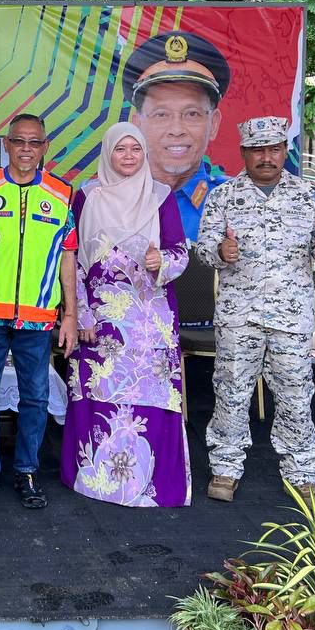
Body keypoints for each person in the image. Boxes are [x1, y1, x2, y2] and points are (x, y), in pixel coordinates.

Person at [196, 116, 315, 508]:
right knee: (230, 392)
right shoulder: (223, 197)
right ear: (243, 152)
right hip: (238, 317)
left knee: (296, 396)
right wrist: (220, 251)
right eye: (257, 150)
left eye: (274, 149)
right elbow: (204, 248)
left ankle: (303, 475)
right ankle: (225, 468)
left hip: (290, 320)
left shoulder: (309, 196)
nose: (266, 157)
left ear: (284, 151)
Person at [60, 121, 190, 507]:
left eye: (136, 149)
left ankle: (147, 486)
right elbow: (72, 260)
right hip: (99, 321)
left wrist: (160, 260)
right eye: (121, 149)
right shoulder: (87, 196)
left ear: (145, 153)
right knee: (97, 394)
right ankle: (96, 480)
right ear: (108, 152)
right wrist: (81, 314)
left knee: (150, 399)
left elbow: (180, 252)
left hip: (149, 322)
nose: (129, 156)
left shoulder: (160, 195)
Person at [0, 113, 78, 510]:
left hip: (38, 316)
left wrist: (71, 315)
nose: (26, 149)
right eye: (19, 141)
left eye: (34, 142)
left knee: (35, 398)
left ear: (45, 147)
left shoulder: (62, 193)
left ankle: (27, 471)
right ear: (6, 145)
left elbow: (68, 255)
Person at [123, 30, 233, 241]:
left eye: (192, 114)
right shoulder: (105, 199)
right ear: (138, 126)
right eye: (161, 114)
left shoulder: (238, 200)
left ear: (213, 124)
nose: (176, 129)